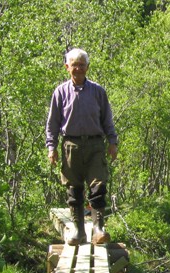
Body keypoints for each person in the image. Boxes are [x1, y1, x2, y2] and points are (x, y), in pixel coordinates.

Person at [46, 48, 118, 245]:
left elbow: (107, 120)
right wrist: (51, 148)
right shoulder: (60, 92)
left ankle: (98, 228)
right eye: (74, 65)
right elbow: (52, 124)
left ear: (87, 67)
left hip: (95, 145)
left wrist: (113, 142)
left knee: (98, 186)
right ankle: (78, 231)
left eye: (81, 65)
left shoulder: (98, 91)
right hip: (71, 146)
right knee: (74, 189)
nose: (78, 69)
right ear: (67, 67)